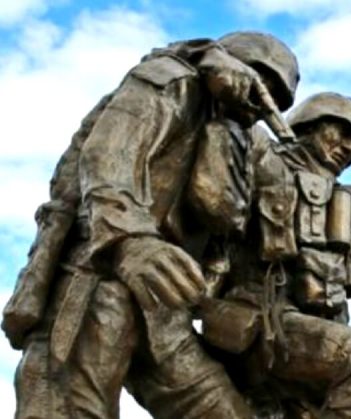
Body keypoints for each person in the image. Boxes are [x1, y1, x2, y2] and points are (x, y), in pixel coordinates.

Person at [4, 31, 299, 419]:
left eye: (277, 99)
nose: (265, 104)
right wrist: (132, 242)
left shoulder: (241, 141)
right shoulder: (170, 80)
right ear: (237, 66)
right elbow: (107, 158)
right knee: (68, 407)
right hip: (95, 278)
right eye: (264, 86)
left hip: (164, 304)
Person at [200, 92, 351, 418]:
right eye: (340, 133)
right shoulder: (264, 157)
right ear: (308, 125)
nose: (348, 147)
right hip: (262, 322)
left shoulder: (341, 196)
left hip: (313, 333)